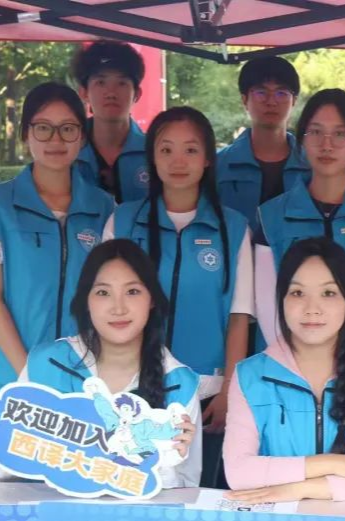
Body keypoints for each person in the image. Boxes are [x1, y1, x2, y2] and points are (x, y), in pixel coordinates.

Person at [0, 239, 202, 489]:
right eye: (103, 293)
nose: (118, 308)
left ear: (152, 300)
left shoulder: (179, 383)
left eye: (132, 292)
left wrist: (170, 458)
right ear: (86, 301)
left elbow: (187, 487)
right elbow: (5, 471)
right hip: (52, 510)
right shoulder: (47, 364)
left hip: (135, 514)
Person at [106, 107, 252, 488]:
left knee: (201, 497)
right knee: (134, 493)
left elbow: (239, 317)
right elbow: (101, 309)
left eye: (190, 150)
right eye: (166, 150)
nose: (178, 161)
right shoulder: (123, 221)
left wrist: (230, 392)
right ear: (152, 158)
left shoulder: (234, 228)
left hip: (206, 393)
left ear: (208, 159)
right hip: (132, 388)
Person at [224, 238, 345, 502]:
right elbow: (238, 473)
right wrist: (336, 464)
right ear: (281, 300)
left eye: (328, 293)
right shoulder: (250, 376)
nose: (312, 309)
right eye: (297, 293)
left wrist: (296, 489)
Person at [0, 82, 115, 396]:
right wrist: (30, 376)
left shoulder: (104, 209)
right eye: (43, 128)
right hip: (7, 380)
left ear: (82, 137)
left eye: (68, 129)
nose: (56, 140)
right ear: (25, 134)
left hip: (82, 381)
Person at [254, 89, 345, 363]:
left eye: (340, 134)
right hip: (286, 367)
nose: (327, 144)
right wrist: (298, 364)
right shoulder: (271, 216)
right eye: (316, 132)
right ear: (301, 140)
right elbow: (266, 306)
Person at [217, 55, 309, 224]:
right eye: (261, 92)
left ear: (294, 101)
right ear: (244, 99)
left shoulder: (312, 165)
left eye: (281, 93)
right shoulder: (218, 166)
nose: (271, 101)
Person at [71, 41, 149, 204]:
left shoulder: (155, 152)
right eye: (101, 83)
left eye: (122, 83)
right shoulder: (68, 151)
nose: (111, 93)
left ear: (137, 94)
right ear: (84, 93)